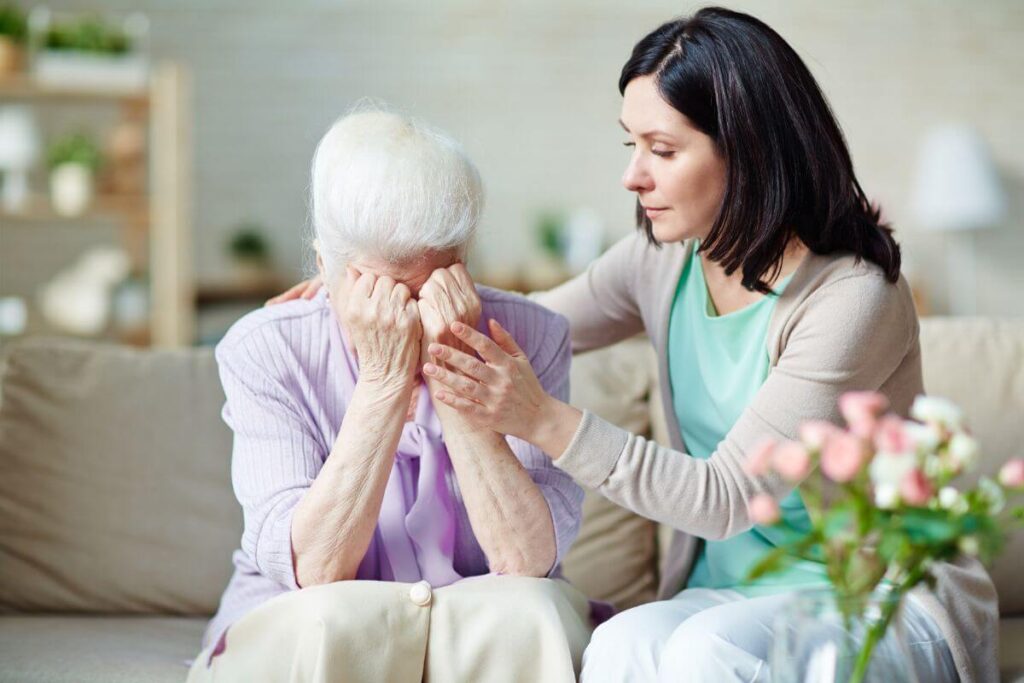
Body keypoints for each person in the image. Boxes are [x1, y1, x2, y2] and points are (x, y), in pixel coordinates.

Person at [275, 8, 999, 682]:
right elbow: (522, 321)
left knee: (701, 654)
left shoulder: (852, 298)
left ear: (746, 152)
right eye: (631, 144)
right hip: (730, 598)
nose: (633, 175)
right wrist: (378, 288)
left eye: (661, 149)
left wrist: (540, 418)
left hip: (880, 602)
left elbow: (728, 497)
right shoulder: (663, 260)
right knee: (619, 644)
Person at [187, 108, 591, 683]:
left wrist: (455, 377)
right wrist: (382, 384)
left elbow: (525, 562)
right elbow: (318, 569)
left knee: (529, 612)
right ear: (325, 267)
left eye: (434, 286)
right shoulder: (265, 349)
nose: (410, 315)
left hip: (479, 625)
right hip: (310, 621)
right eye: (382, 289)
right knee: (329, 620)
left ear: (466, 263)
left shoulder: (535, 337)